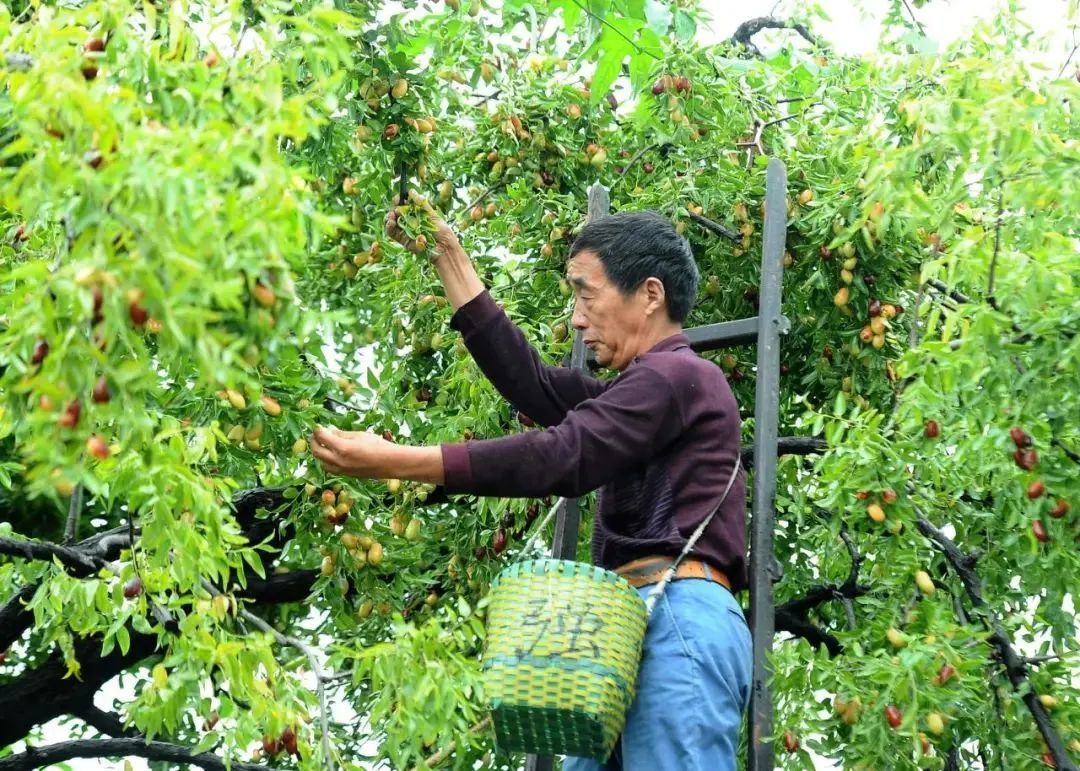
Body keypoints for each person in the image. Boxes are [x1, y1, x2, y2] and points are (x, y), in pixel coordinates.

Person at [310, 201, 752, 771]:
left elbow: (565, 454)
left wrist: (399, 460)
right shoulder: (644, 392)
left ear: (649, 294)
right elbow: (535, 385)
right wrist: (448, 254)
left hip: (679, 618)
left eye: (585, 294)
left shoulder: (681, 376)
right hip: (625, 627)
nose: (576, 318)